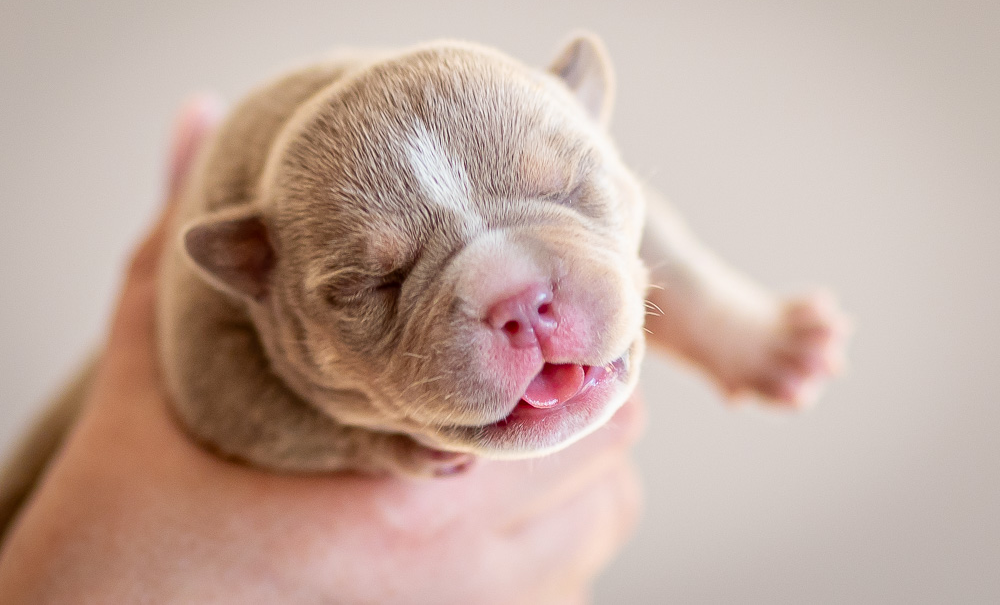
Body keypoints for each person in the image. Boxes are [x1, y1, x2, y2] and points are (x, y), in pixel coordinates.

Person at [0, 97, 644, 603]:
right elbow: (213, 397)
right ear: (254, 268)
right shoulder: (231, 323)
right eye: (384, 283)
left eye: (565, 196)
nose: (523, 306)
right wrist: (370, 446)